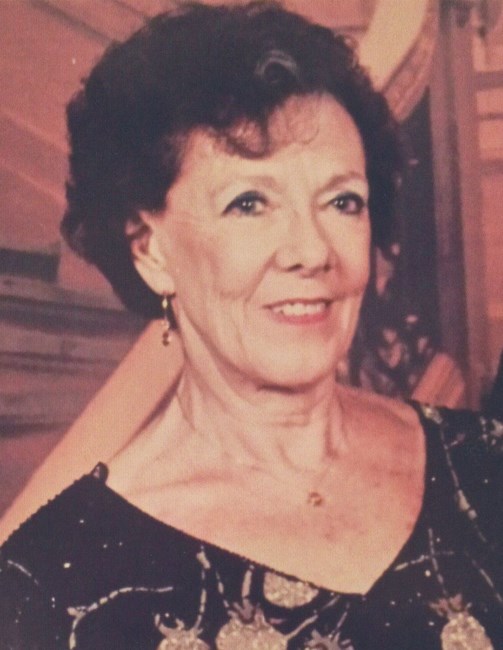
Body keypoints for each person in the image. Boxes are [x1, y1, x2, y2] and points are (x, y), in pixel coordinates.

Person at [0, 3, 502, 648]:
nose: (311, 251)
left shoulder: (483, 461)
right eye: (249, 204)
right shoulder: (52, 587)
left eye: (342, 201)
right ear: (150, 251)